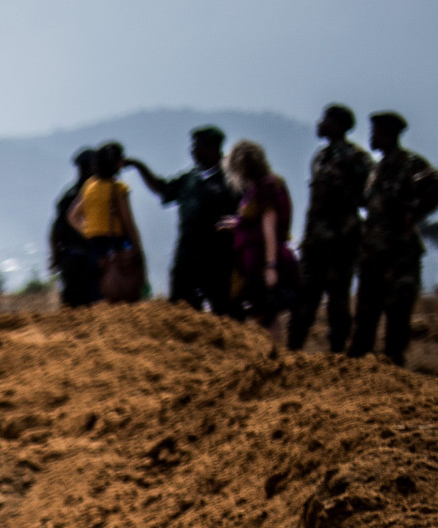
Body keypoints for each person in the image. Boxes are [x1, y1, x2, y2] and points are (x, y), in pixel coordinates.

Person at [350, 112, 438, 365]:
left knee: (397, 317)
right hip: (372, 255)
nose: (371, 137)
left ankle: (394, 369)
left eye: (375, 132)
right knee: (365, 319)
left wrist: (414, 215)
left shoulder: (408, 163)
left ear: (389, 134)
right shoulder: (377, 170)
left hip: (399, 256)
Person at [131, 127, 240, 313]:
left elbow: (244, 214)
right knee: (181, 309)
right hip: (187, 253)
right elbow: (162, 188)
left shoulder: (231, 180)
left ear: (213, 148)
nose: (192, 151)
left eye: (197, 146)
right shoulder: (190, 178)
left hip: (218, 257)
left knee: (224, 310)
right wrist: (139, 166)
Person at [293, 106, 370, 353]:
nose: (320, 124)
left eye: (325, 120)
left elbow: (368, 197)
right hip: (315, 242)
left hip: (341, 244)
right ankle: (292, 351)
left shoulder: (357, 158)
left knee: (338, 301)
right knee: (304, 299)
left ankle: (337, 354)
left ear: (338, 124)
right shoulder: (320, 157)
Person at [222, 140, 296, 353]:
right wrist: (238, 223)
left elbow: (269, 226)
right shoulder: (260, 188)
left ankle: (275, 356)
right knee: (260, 312)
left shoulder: (266, 188)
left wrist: (270, 266)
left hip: (262, 260)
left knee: (265, 313)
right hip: (253, 258)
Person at [77, 140, 147, 304]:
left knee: (99, 292)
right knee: (121, 293)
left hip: (94, 245)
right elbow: (128, 222)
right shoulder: (118, 188)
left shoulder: (89, 185)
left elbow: (73, 216)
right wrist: (137, 249)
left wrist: (88, 231)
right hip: (115, 243)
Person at [51, 150, 100, 308]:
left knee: (75, 305)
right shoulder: (96, 193)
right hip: (86, 256)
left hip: (72, 256)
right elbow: (56, 230)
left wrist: (55, 256)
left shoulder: (69, 195)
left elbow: (55, 231)